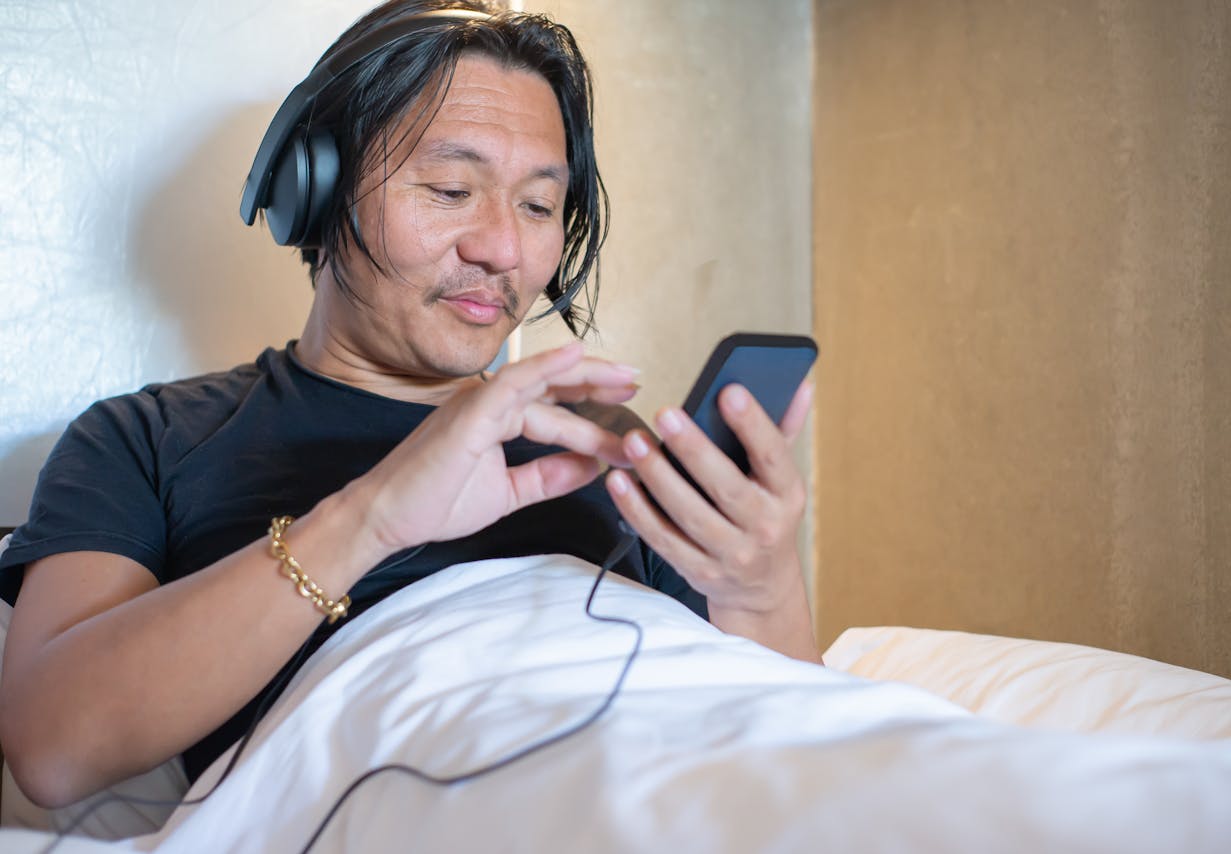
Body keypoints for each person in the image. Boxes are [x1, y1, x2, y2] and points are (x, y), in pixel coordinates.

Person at [0, 0, 817, 811]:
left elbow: (792, 744)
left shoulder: (600, 444)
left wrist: (763, 589)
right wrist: (372, 518)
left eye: (538, 206)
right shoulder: (145, 439)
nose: (503, 249)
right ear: (315, 189)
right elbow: (52, 749)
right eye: (453, 189)